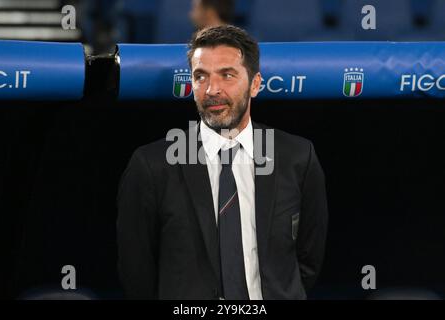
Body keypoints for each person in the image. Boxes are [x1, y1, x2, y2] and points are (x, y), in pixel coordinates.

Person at [117, 25, 328, 300]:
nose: (212, 89)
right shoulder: (151, 165)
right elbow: (137, 273)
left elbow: (308, 258)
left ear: (255, 84)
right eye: (200, 76)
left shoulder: (297, 157)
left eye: (227, 75)